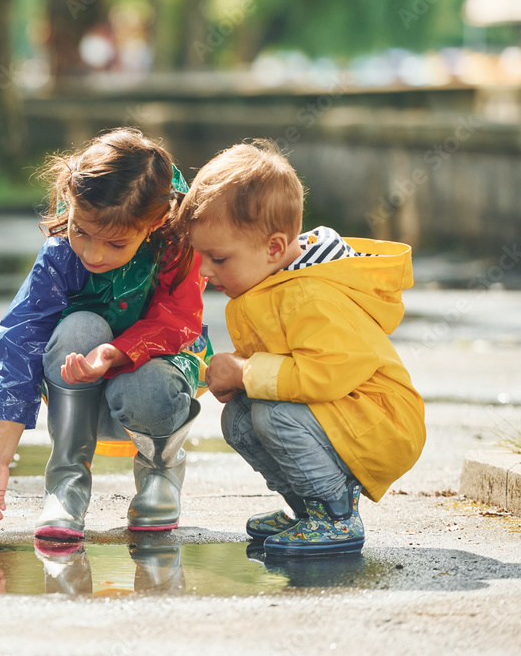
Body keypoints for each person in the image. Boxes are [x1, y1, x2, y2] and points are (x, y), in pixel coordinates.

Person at [181, 139, 426, 557]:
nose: (204, 269)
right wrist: (241, 378)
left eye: (217, 258)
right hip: (340, 413)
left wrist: (243, 372)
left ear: (274, 248)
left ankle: (335, 517)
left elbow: (324, 373)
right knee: (240, 416)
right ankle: (308, 511)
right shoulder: (267, 282)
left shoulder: (311, 297)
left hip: (378, 420)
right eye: (199, 255)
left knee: (274, 413)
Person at [0, 128, 210, 540]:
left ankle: (160, 474)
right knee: (80, 326)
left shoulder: (178, 244)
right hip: (80, 400)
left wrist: (117, 353)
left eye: (115, 244)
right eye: (82, 231)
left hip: (155, 390)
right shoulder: (62, 250)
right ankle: (66, 486)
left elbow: (178, 322)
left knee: (147, 381)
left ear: (155, 223)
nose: (94, 254)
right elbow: (19, 341)